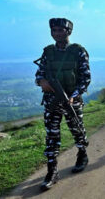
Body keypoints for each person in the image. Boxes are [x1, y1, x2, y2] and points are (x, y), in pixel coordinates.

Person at [34, 18, 91, 191]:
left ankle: (82, 154)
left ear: (69, 32)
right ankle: (52, 171)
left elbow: (85, 78)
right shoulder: (48, 52)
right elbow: (39, 74)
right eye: (54, 30)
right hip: (52, 101)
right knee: (52, 136)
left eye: (61, 30)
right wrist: (41, 81)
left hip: (71, 101)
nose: (57, 33)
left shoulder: (78, 52)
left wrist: (73, 96)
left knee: (77, 130)